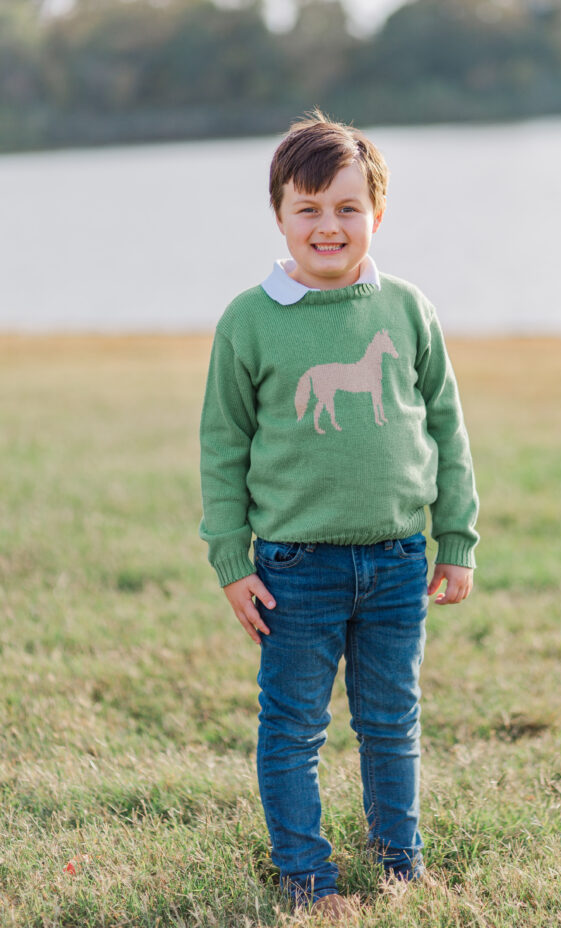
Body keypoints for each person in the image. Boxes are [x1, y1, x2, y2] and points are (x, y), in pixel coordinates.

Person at [199, 111, 479, 921]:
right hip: (293, 569)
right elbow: (223, 446)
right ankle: (308, 881)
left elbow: (446, 429)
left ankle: (402, 865)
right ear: (280, 217)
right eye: (308, 209)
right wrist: (231, 559)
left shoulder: (407, 310)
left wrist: (454, 537)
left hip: (396, 559)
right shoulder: (248, 321)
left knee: (391, 721)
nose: (329, 226)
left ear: (376, 216)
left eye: (347, 208)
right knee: (292, 729)